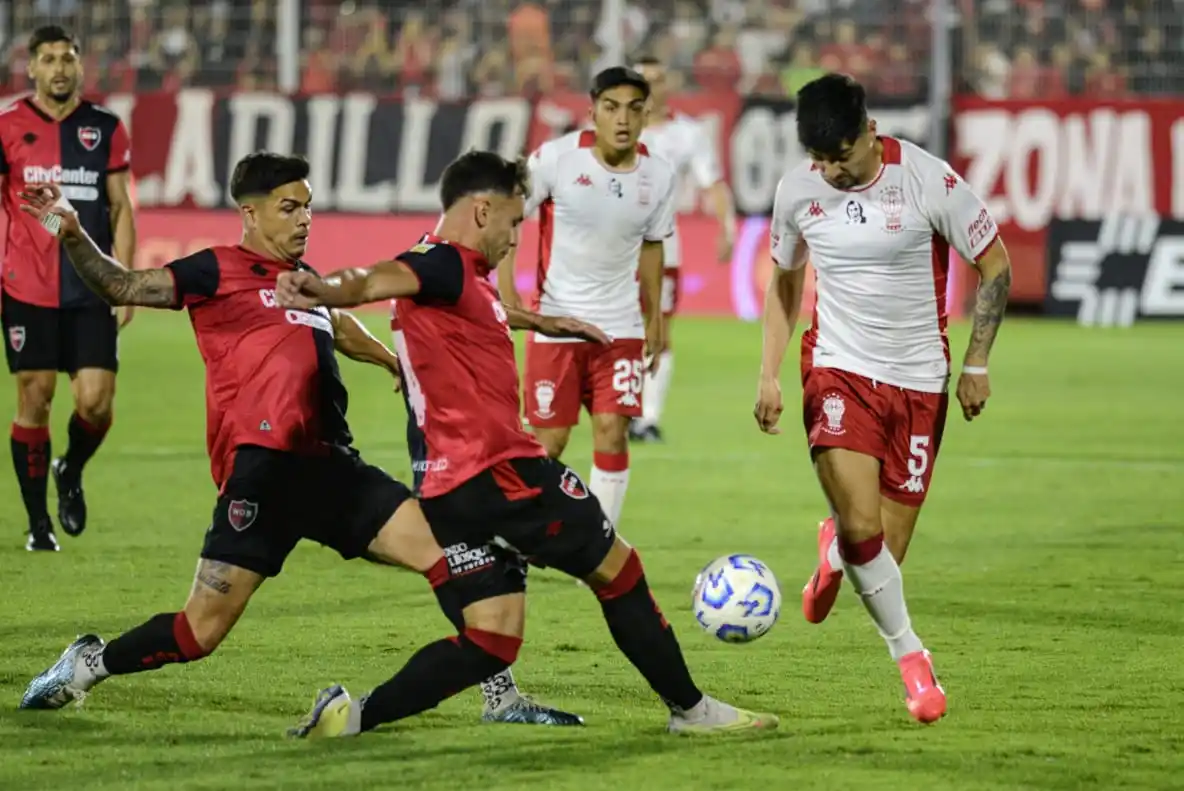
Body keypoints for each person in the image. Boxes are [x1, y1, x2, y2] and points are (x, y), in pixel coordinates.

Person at [17, 154, 580, 730]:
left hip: (334, 469)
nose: (304, 219)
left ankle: (502, 698)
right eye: (290, 207)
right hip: (262, 474)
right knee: (198, 632)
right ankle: (87, 663)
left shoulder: (303, 283)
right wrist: (74, 232)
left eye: (308, 206)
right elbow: (123, 283)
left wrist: (393, 363)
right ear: (250, 213)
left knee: (454, 557)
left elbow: (339, 325)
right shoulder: (216, 270)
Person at [277, 149, 777, 737]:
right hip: (501, 472)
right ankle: (692, 711)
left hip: (446, 491)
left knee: (491, 640)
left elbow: (471, 307)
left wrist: (543, 323)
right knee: (620, 572)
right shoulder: (441, 264)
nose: (516, 237)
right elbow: (370, 278)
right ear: (482, 210)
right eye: (515, 222)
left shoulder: (454, 274)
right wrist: (324, 288)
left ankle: (353, 717)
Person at [754, 74, 1011, 724]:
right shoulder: (797, 190)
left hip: (919, 380)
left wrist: (977, 360)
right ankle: (913, 662)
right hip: (839, 368)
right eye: (821, 160)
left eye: (841, 155)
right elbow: (784, 286)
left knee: (882, 552)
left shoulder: (926, 179)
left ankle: (833, 548)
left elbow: (996, 262)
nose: (832, 171)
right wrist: (769, 373)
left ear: (869, 130)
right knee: (866, 529)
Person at [498, 66, 675, 529]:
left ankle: (600, 540)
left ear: (645, 114)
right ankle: (518, 530)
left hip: (620, 327)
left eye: (634, 109)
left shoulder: (658, 175)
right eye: (612, 108)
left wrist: (654, 318)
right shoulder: (555, 159)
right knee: (548, 442)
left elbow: (654, 246)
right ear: (592, 110)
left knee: (612, 433)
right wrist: (506, 288)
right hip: (556, 321)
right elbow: (511, 216)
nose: (622, 119)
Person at [0, 26, 136, 551]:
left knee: (96, 402)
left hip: (90, 286)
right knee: (35, 397)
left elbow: (123, 205)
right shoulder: (8, 125)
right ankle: (38, 525)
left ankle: (70, 468)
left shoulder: (104, 128)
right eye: (48, 58)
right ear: (30, 67)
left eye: (68, 57)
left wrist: (122, 279)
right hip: (26, 288)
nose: (59, 67)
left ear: (80, 66)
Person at [629, 55, 737, 443]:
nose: (650, 88)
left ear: (667, 85)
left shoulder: (687, 134)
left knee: (657, 327)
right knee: (611, 327)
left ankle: (648, 417)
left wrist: (725, 226)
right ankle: (619, 405)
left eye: (657, 80)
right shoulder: (611, 130)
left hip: (662, 244)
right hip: (611, 244)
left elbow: (713, 183)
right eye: (642, 80)